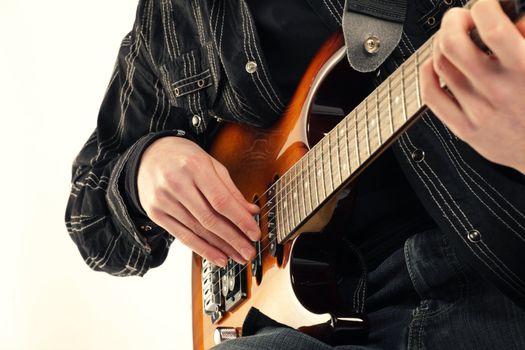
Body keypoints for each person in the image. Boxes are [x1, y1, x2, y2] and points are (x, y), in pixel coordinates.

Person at [65, 0, 525, 348]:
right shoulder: (171, 17)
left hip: (491, 276)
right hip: (300, 323)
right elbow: (90, 222)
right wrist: (144, 171)